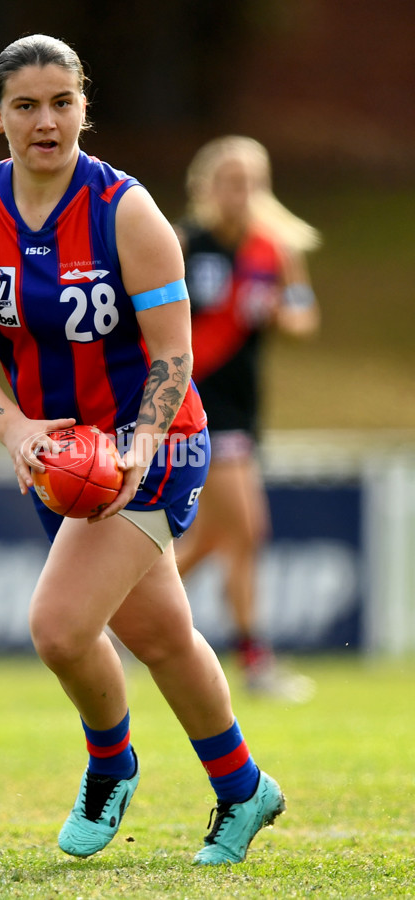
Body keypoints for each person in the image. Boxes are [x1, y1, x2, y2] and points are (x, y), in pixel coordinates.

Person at [0, 35, 286, 866]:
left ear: (85, 106)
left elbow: (174, 358)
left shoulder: (128, 211)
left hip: (155, 443)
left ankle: (109, 764)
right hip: (55, 455)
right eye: (26, 105)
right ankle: (244, 791)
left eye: (62, 101)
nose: (45, 120)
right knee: (162, 636)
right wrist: (16, 430)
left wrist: (142, 442)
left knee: (58, 627)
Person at [174, 135, 321, 700]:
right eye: (232, 181)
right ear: (207, 186)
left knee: (215, 537)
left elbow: (305, 316)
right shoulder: (185, 242)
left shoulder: (275, 250)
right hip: (197, 407)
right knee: (248, 532)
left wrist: (282, 311)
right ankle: (255, 659)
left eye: (252, 182)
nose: (242, 192)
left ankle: (121, 613)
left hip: (244, 407)